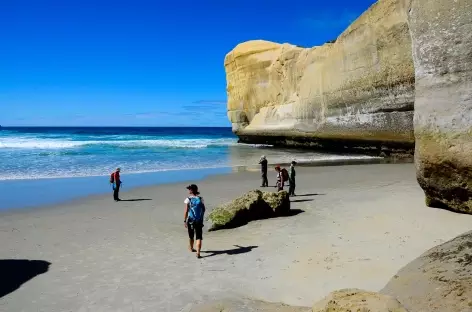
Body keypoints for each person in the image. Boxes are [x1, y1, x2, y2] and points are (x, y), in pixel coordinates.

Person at [184, 184, 206, 258]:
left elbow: (186, 211)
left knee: (191, 236)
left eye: (189, 189)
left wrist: (184, 220)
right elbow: (203, 209)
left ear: (191, 190)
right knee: (199, 237)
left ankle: (191, 248)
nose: (189, 190)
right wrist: (201, 218)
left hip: (191, 220)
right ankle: (198, 253)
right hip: (199, 220)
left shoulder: (188, 199)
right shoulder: (200, 198)